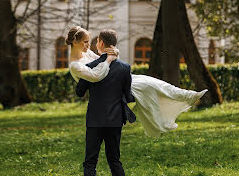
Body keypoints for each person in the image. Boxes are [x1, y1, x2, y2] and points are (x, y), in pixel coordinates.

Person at [67, 26, 208, 137]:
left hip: (116, 78)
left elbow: (104, 57)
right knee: (149, 87)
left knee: (155, 83)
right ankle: (168, 118)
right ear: (75, 42)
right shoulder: (75, 65)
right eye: (85, 42)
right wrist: (109, 59)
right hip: (112, 85)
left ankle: (189, 95)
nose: (88, 45)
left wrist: (112, 54)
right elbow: (97, 75)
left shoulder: (86, 54)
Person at [73, 29, 133, 176]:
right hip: (115, 120)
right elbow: (128, 95)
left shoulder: (91, 66)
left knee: (90, 162)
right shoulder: (124, 68)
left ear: (100, 43)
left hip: (95, 121)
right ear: (114, 44)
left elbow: (79, 91)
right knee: (115, 160)